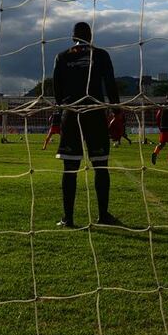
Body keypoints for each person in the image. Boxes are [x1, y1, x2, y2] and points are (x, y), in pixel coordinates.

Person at [52, 21, 120, 228]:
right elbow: (110, 85)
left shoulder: (62, 56)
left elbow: (57, 90)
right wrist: (117, 112)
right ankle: (103, 215)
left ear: (72, 37)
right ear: (91, 36)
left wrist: (61, 112)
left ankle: (68, 218)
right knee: (101, 166)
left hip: (72, 113)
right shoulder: (101, 55)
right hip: (95, 113)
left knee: (70, 167)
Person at [151, 94, 168, 165]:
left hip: (163, 128)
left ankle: (155, 153)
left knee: (162, 144)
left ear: (166, 98)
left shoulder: (162, 106)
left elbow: (157, 116)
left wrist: (160, 126)